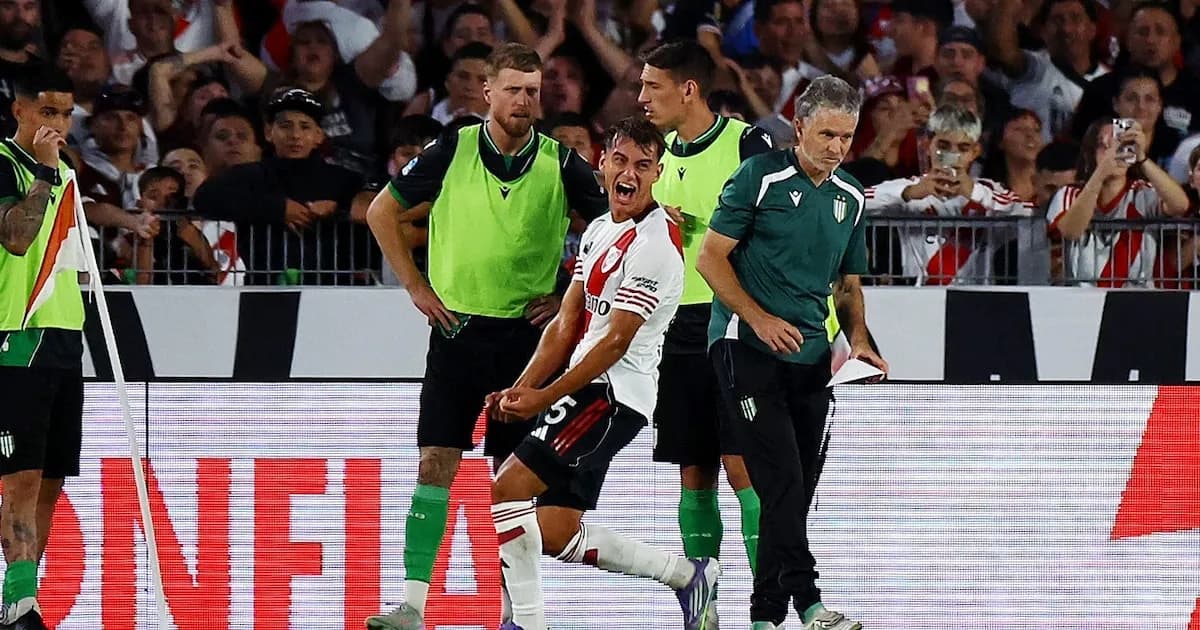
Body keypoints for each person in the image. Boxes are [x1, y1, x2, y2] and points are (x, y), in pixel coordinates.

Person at [363, 42, 607, 630]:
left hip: (527, 345)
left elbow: (609, 232)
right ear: (487, 93)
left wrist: (566, 295)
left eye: (534, 89)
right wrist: (418, 289)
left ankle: (511, 615)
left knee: (511, 488)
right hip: (458, 333)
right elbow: (380, 213)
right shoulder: (452, 148)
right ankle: (413, 606)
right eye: (514, 89)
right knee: (434, 464)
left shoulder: (562, 163)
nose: (525, 100)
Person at [487, 116, 717, 630]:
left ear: (658, 173)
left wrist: (545, 397)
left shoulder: (656, 246)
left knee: (506, 490)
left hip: (611, 394)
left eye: (643, 164)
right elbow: (568, 322)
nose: (630, 172)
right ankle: (687, 576)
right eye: (620, 160)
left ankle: (525, 622)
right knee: (552, 529)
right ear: (602, 166)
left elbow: (616, 340)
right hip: (589, 388)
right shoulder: (597, 230)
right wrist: (522, 387)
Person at [695, 75, 888, 630]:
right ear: (798, 126)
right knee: (781, 482)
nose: (836, 147)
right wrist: (758, 317)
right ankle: (809, 606)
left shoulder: (850, 197)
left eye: (846, 137)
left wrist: (862, 343)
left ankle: (763, 619)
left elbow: (848, 287)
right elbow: (711, 258)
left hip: (809, 357)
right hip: (743, 346)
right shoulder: (759, 176)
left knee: (794, 494)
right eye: (826, 133)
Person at [637, 39, 775, 605]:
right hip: (675, 325)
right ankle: (703, 603)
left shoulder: (748, 143)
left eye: (652, 86)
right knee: (693, 469)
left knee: (743, 466)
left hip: (732, 321)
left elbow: (777, 223)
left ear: (688, 89)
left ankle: (768, 604)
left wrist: (712, 228)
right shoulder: (654, 157)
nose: (642, 98)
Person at [0, 68, 87, 630]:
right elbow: (15, 237)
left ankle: (24, 599)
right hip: (16, 333)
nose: (58, 125)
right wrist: (43, 174)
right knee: (21, 476)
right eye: (47, 112)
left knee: (52, 479)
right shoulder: (9, 165)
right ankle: (17, 605)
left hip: (64, 333)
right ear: (20, 111)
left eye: (66, 115)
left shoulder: (65, 175)